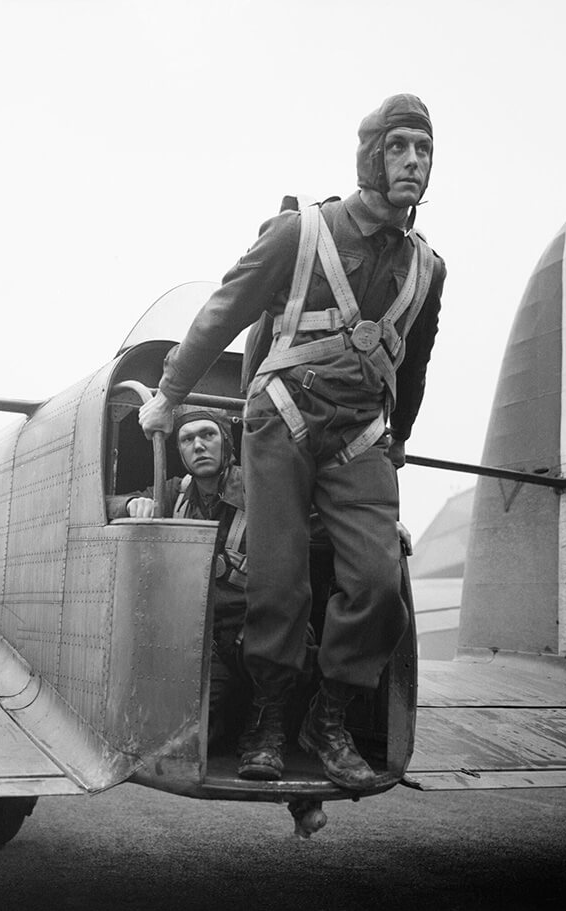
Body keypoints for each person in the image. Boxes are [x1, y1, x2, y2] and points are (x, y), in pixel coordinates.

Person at [139, 93, 446, 789]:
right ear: (371, 158)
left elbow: (414, 364)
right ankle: (270, 716)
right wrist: (171, 393)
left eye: (424, 150)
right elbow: (225, 309)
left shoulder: (428, 268)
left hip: (362, 435)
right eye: (399, 147)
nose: (413, 162)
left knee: (380, 585)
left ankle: (327, 716)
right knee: (278, 584)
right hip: (281, 421)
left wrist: (399, 440)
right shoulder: (300, 234)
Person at [107, 407, 250, 742]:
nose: (198, 445)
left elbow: (310, 515)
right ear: (180, 451)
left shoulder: (257, 486)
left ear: (226, 442)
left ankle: (265, 724)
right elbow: (106, 501)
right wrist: (131, 504)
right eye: (187, 439)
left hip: (249, 627)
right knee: (190, 737)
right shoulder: (175, 491)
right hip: (196, 633)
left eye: (208, 435)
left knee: (286, 645)